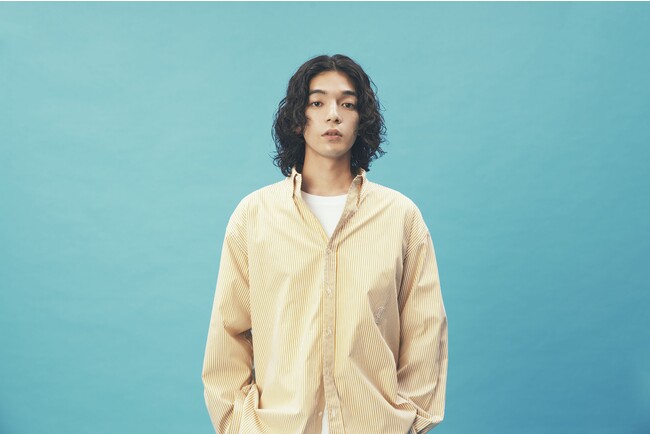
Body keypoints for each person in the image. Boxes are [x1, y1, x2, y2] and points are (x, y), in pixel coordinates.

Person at [202, 54, 448, 434]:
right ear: (297, 119)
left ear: (361, 120)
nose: (333, 115)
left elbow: (424, 331)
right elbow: (228, 333)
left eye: (347, 104)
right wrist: (239, 425)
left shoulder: (400, 217)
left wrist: (408, 423)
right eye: (317, 103)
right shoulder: (254, 216)